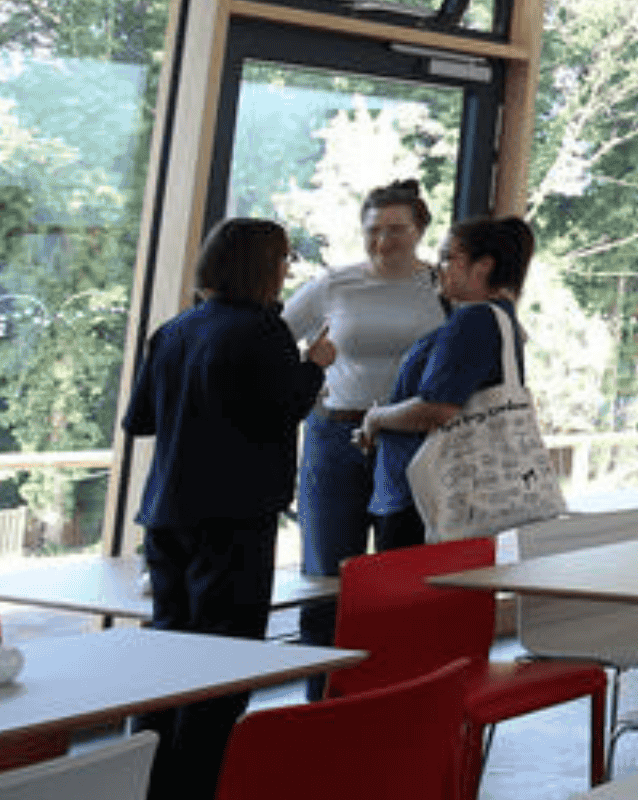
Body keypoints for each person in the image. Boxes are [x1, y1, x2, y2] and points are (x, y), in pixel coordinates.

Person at [123, 218, 327, 800]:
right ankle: (202, 781)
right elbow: (281, 408)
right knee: (224, 658)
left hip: (166, 512)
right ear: (263, 266)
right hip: (236, 516)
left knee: (171, 648)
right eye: (283, 259)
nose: (288, 269)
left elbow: (139, 420)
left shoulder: (173, 330)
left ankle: (150, 777)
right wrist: (314, 365)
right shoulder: (263, 332)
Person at [279, 179, 445, 665]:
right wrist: (310, 372)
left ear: (419, 230)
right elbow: (273, 338)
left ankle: (393, 699)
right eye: (373, 230)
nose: (383, 242)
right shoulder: (336, 283)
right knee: (327, 579)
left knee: (403, 579)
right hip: (336, 435)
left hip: (411, 438)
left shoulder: (439, 286)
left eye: (396, 230)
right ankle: (321, 703)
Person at [355, 216, 535, 549]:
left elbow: (438, 409)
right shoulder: (501, 319)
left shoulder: (473, 320)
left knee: (411, 594)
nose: (438, 268)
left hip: (427, 496)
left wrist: (376, 418)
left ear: (482, 267)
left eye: (448, 257)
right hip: (461, 494)